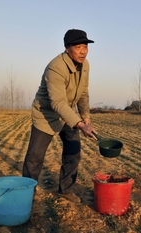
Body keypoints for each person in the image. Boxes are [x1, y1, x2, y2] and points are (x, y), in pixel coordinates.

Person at [22, 29, 97, 203]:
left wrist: (86, 117)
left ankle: (66, 191)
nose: (83, 51)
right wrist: (79, 124)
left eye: (85, 46)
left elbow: (83, 92)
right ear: (67, 48)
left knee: (73, 152)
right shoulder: (55, 67)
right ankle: (26, 194)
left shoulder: (85, 65)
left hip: (69, 114)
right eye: (78, 47)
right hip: (46, 114)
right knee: (35, 157)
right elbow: (57, 103)